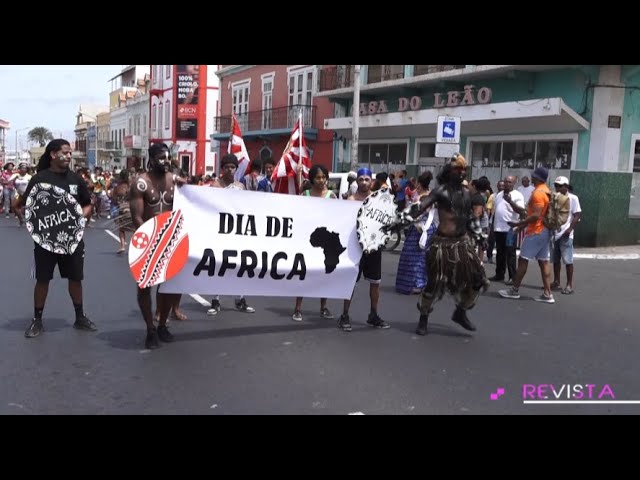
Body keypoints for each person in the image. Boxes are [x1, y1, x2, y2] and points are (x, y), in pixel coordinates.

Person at [401, 154, 488, 336]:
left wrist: (480, 235)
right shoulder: (440, 191)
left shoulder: (466, 194)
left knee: (478, 280)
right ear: (449, 172)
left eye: (464, 170)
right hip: (441, 246)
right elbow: (422, 205)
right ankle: (423, 318)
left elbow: (470, 217)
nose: (462, 173)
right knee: (433, 285)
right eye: (458, 170)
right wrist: (404, 218)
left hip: (463, 245)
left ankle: (460, 312)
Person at [20, 139, 97, 338]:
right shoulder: (39, 179)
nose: (69, 156)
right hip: (45, 241)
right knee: (42, 279)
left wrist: (81, 215)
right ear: (53, 154)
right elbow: (25, 207)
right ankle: (37, 320)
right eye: (65, 152)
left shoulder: (76, 179)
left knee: (75, 278)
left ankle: (80, 317)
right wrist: (35, 228)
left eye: (70, 153)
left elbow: (88, 204)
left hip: (72, 241)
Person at [129, 143, 186, 349]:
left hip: (170, 241)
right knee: (145, 287)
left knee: (169, 285)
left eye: (168, 157)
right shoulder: (140, 183)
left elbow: (190, 201)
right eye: (161, 158)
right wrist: (152, 240)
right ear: (151, 159)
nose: (166, 161)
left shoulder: (174, 181)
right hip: (147, 242)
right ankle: (150, 330)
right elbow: (137, 217)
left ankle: (162, 324)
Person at [338, 168, 391, 332]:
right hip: (355, 246)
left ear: (371, 181)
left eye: (367, 179)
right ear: (357, 181)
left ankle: (373, 315)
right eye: (361, 179)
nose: (364, 182)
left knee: (375, 283)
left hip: (373, 246)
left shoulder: (378, 200)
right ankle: (345, 315)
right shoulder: (351, 200)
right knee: (351, 281)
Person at [207, 153, 255, 315]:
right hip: (219, 231)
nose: (230, 170)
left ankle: (240, 299)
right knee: (220, 265)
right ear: (222, 168)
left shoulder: (240, 187)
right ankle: (215, 300)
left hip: (236, 232)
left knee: (239, 265)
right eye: (227, 167)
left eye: (232, 167)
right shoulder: (215, 186)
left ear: (236, 168)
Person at [292, 165, 336, 322]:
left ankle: (323, 307)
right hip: (307, 242)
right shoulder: (305, 195)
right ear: (312, 179)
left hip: (325, 244)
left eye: (324, 177)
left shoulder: (332, 196)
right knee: (304, 274)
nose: (321, 180)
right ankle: (297, 308)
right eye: (318, 177)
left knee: (324, 275)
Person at [395, 171, 435, 295]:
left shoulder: (422, 197)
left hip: (420, 227)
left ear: (419, 185)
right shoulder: (429, 195)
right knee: (422, 256)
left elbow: (419, 213)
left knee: (415, 257)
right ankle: (421, 282)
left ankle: (417, 284)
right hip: (425, 227)